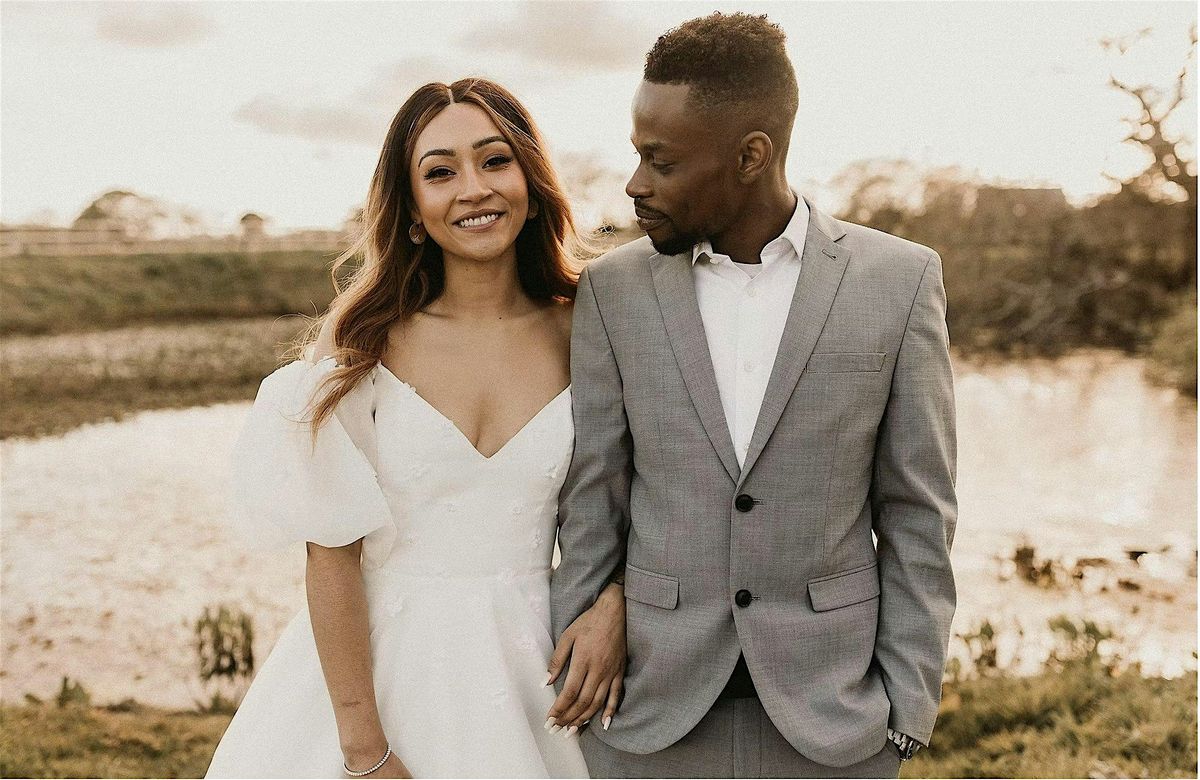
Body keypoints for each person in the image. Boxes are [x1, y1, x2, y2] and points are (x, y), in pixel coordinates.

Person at [548, 12, 958, 779]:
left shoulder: (900, 282)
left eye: (661, 161)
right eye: (638, 155)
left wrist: (906, 713)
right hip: (645, 720)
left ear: (750, 155)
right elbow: (592, 496)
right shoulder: (612, 291)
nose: (636, 184)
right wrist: (582, 639)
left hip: (836, 728)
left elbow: (918, 511)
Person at [205, 77, 623, 779]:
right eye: (440, 172)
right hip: (378, 674)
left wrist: (614, 600)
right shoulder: (365, 342)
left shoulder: (593, 327)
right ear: (412, 210)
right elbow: (330, 556)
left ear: (531, 179)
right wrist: (364, 751)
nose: (474, 189)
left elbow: (638, 496)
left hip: (538, 667)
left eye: (495, 160)